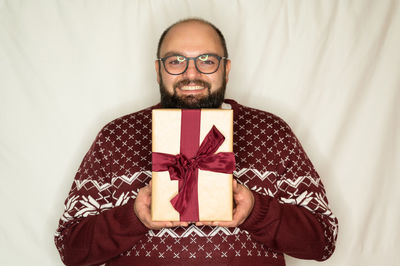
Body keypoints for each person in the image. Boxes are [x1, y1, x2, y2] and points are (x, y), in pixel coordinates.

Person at [54, 18, 338, 266]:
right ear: (158, 70)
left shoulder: (272, 131)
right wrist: (131, 218)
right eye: (176, 61)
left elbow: (323, 240)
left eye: (207, 60)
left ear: (226, 69)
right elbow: (70, 248)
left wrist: (257, 211)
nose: (192, 73)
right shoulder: (116, 136)